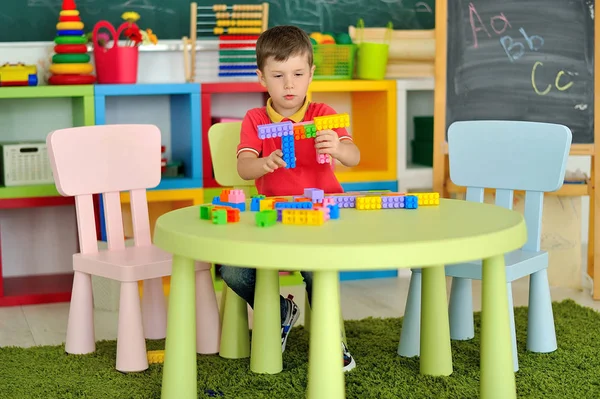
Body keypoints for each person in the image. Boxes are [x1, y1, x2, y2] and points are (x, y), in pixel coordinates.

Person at [219, 25, 361, 372]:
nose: (289, 85)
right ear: (261, 77)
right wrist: (262, 163)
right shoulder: (255, 119)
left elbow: (355, 156)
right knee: (229, 268)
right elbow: (243, 167)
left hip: (321, 222)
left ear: (311, 73)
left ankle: (331, 341)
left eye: (298, 74)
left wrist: (339, 148)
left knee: (318, 272)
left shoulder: (324, 115)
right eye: (278, 75)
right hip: (273, 223)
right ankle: (281, 310)